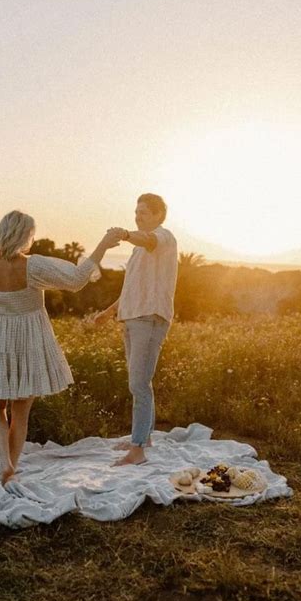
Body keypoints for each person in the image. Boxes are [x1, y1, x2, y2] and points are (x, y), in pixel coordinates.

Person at [0, 210, 120, 485]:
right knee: (21, 409)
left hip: (0, 336)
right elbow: (76, 280)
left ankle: (4, 462)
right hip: (29, 337)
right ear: (25, 235)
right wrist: (103, 245)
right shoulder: (33, 266)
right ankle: (11, 468)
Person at [93, 193, 178, 466]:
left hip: (149, 319)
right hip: (132, 318)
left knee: (138, 384)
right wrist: (107, 312)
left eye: (143, 212)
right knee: (140, 383)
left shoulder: (163, 237)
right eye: (136, 211)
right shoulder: (137, 250)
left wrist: (126, 233)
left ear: (157, 216)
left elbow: (147, 238)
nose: (137, 216)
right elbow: (130, 289)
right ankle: (145, 437)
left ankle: (138, 449)